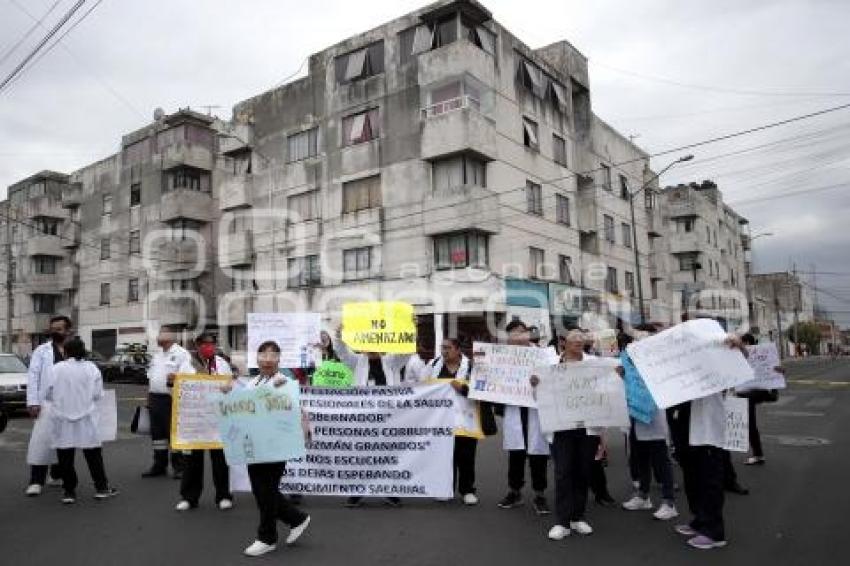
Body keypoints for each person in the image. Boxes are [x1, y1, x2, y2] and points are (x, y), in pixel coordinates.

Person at [222, 341, 311, 558]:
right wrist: (227, 391)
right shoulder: (253, 382)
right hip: (255, 445)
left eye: (272, 356)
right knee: (261, 490)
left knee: (267, 491)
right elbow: (242, 406)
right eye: (263, 355)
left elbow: (290, 408)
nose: (267, 360)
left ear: (279, 360)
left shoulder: (283, 382)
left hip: (275, 446)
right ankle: (296, 518)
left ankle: (267, 538)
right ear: (257, 359)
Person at [668, 332, 747, 550]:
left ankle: (714, 532)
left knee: (709, 479)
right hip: (684, 426)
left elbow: (740, 367)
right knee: (692, 479)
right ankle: (700, 520)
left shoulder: (717, 360)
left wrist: (738, 347)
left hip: (707, 430)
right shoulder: (680, 364)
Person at [335, 327, 411, 507]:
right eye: (368, 344)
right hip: (364, 418)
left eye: (375, 344)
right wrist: (339, 334)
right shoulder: (358, 361)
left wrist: (409, 328)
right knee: (363, 455)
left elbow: (407, 351)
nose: (371, 348)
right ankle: (357, 492)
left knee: (387, 455)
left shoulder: (392, 361)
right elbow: (341, 351)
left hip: (388, 417)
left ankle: (389, 491)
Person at [536, 329, 601, 540]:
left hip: (586, 426)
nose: (578, 345)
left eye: (581, 342)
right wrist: (535, 385)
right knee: (563, 472)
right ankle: (562, 521)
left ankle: (577, 517)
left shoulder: (595, 364)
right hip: (561, 427)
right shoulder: (552, 366)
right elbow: (540, 394)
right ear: (564, 344)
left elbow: (607, 390)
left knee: (583, 471)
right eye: (574, 341)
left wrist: (617, 376)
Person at [45, 337, 118, 504]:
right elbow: (97, 394)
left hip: (62, 418)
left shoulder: (56, 369)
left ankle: (69, 491)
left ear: (66, 352)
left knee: (65, 456)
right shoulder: (91, 369)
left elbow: (48, 393)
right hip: (86, 417)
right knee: (93, 454)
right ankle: (101, 488)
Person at [620, 328, 679, 521]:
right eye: (637, 340)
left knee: (661, 459)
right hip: (634, 416)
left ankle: (669, 502)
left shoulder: (661, 361)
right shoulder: (628, 362)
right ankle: (643, 496)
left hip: (654, 415)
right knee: (640, 457)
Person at [175, 332, 234, 512]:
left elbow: (231, 386)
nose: (209, 347)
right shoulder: (187, 365)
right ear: (198, 345)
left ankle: (224, 496)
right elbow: (180, 389)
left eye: (212, 344)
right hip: (195, 419)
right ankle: (189, 497)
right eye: (206, 344)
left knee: (220, 460)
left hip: (217, 420)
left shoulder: (222, 364)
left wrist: (228, 387)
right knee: (192, 461)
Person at [426, 337, 488, 505]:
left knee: (466, 456)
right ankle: (446, 488)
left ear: (458, 350)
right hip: (441, 420)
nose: (444, 351)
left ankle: (467, 490)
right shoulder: (433, 366)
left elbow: (483, 389)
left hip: (466, 420)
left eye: (448, 348)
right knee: (445, 456)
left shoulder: (472, 367)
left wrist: (463, 389)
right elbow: (423, 387)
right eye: (442, 348)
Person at [497, 319, 550, 515]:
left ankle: (540, 494)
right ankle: (515, 491)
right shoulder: (501, 357)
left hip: (536, 410)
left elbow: (554, 378)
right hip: (515, 409)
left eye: (521, 332)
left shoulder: (543, 355)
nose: (517, 337)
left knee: (538, 454)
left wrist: (540, 381)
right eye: (513, 334)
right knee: (516, 453)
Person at [25, 315, 72, 496]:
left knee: (64, 441)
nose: (55, 332)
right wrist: (33, 402)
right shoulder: (41, 350)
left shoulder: (73, 349)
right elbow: (33, 376)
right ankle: (36, 480)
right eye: (53, 329)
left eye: (59, 329)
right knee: (41, 442)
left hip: (68, 404)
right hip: (47, 403)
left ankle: (56, 475)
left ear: (68, 330)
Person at [142, 326, 193, 479]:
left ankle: (179, 467)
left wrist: (176, 377)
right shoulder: (157, 355)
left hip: (172, 399)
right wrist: (148, 397)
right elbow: (151, 377)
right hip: (155, 398)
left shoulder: (181, 354)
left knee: (173, 433)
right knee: (157, 434)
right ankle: (159, 465)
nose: (158, 336)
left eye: (161, 333)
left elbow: (188, 376)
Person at [737, 333, 783, 466]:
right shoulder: (742, 356)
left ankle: (758, 454)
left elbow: (771, 372)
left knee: (750, 425)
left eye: (742, 343)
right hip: (746, 393)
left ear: (746, 343)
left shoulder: (758, 355)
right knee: (748, 425)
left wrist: (778, 376)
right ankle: (758, 454)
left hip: (750, 394)